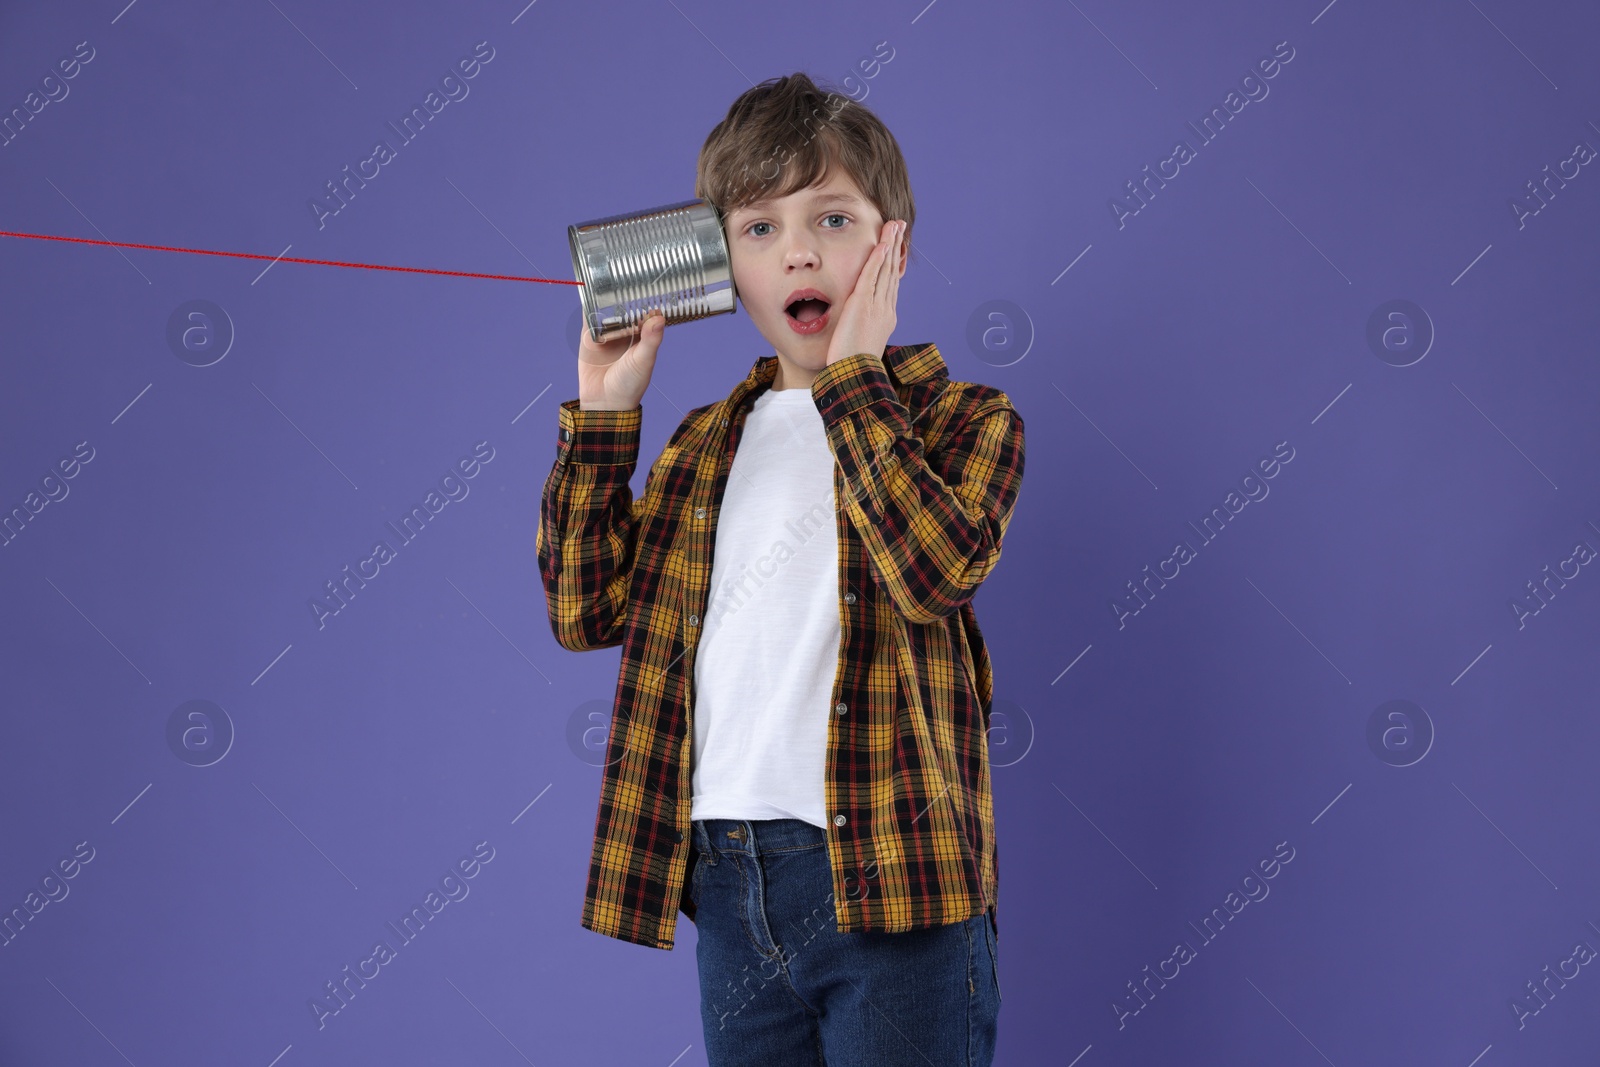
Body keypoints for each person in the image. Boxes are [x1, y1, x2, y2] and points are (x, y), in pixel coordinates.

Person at [536, 71, 1026, 1067]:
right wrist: (602, 413)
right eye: (758, 229)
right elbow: (583, 611)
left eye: (833, 217)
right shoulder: (701, 443)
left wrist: (853, 377)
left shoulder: (964, 420)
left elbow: (932, 572)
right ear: (721, 266)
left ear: (892, 244)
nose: (797, 249)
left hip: (889, 876)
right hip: (728, 872)